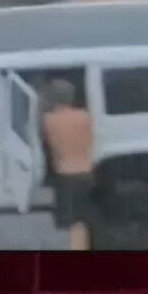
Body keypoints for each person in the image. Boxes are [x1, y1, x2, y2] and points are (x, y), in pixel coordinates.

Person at [41, 78, 95, 251]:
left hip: (66, 175)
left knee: (72, 224)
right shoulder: (85, 116)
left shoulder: (48, 120)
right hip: (88, 173)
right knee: (83, 221)